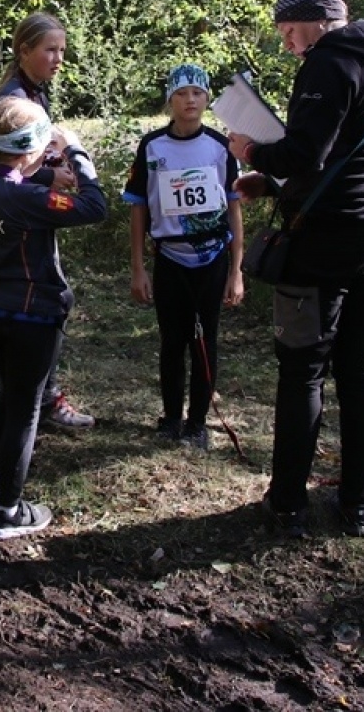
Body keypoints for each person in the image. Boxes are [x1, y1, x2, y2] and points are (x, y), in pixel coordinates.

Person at [228, 0, 364, 539]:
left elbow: (307, 153)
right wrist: (275, 185)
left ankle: (287, 501)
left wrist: (253, 150)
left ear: (316, 21)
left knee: (303, 368)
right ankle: (359, 504)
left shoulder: (328, 63)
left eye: (289, 30)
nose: (287, 43)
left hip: (331, 237)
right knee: (362, 368)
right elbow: (357, 158)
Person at [0, 96, 107, 540]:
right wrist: (77, 153)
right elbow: (95, 207)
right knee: (25, 410)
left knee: (5, 397)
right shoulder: (28, 197)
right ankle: (8, 511)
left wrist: (44, 169)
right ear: (31, 149)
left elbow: (16, 180)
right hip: (32, 317)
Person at [123, 64, 245, 451]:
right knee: (172, 340)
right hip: (170, 257)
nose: (190, 100)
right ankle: (171, 417)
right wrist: (138, 267)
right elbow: (139, 208)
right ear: (170, 100)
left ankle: (198, 423)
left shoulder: (221, 146)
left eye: (197, 93)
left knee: (205, 341)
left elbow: (235, 209)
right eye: (181, 93)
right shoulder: (152, 146)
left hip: (212, 258)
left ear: (207, 99)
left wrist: (236, 270)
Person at [0, 11, 95, 431]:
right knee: (38, 302)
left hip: (33, 208)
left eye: (62, 50)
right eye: (50, 49)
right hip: (18, 216)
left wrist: (53, 166)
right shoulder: (13, 97)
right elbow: (6, 160)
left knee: (50, 300)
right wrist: (54, 174)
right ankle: (32, 401)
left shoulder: (35, 91)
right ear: (24, 50)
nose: (58, 58)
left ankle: (30, 398)